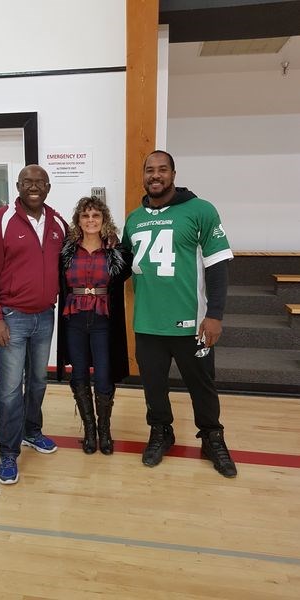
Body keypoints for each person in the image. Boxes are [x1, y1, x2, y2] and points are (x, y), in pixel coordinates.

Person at [122, 150, 237, 478]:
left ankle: (212, 437)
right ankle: (161, 432)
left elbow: (217, 266)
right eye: (149, 170)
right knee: (153, 387)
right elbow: (124, 265)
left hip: (193, 324)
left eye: (162, 170)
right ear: (143, 175)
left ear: (173, 173)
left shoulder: (200, 210)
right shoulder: (134, 218)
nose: (155, 176)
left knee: (202, 385)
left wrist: (215, 315)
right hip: (147, 323)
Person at [0, 164, 67, 485]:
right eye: (27, 181)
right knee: (10, 389)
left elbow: (72, 260)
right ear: (17, 185)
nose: (34, 186)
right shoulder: (1, 220)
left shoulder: (58, 223)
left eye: (40, 182)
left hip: (45, 315)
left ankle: (32, 431)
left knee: (39, 381)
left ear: (48, 187)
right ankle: (8, 452)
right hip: (11, 318)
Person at [57, 196, 131, 455]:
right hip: (74, 319)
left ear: (104, 220)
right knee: (78, 374)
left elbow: (127, 270)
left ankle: (104, 431)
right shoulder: (66, 250)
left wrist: (116, 242)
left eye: (95, 216)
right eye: (85, 216)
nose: (90, 221)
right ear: (78, 220)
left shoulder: (116, 252)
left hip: (103, 321)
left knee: (102, 376)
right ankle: (89, 430)